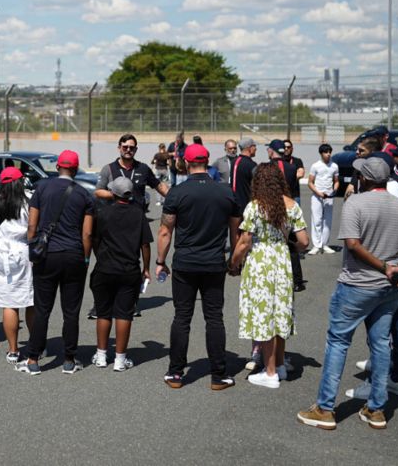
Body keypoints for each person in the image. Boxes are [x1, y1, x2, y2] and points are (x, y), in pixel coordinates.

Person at [297, 156, 398, 431]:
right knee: (381, 344)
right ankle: (376, 408)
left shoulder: (355, 203)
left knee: (338, 342)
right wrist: (394, 268)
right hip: (387, 288)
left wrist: (385, 267)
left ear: (365, 179)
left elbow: (353, 244)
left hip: (357, 284)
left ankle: (325, 408)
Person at [156, 144, 241, 390]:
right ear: (207, 161)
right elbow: (235, 232)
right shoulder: (226, 192)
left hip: (185, 263)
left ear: (186, 162)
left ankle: (175, 373)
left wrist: (160, 262)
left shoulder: (177, 192)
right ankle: (219, 375)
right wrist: (235, 262)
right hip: (214, 263)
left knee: (182, 317)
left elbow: (165, 231)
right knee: (214, 317)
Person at [347, 159, 398, 401]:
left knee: (377, 331)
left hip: (377, 273)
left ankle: (376, 384)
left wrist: (389, 264)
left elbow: (354, 242)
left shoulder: (374, 197)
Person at [229, 164, 308, 389]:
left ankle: (270, 372)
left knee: (263, 314)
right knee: (279, 311)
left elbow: (244, 242)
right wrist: (287, 245)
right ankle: (280, 365)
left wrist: (233, 263)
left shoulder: (255, 207)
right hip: (282, 261)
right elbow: (304, 242)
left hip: (260, 262)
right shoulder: (292, 205)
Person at [16, 150, 94, 376]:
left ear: (58, 167)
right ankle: (69, 359)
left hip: (47, 254)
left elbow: (32, 226)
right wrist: (85, 258)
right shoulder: (84, 194)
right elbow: (87, 233)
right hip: (73, 254)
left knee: (42, 309)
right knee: (71, 310)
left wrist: (33, 250)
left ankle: (33, 359)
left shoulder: (41, 188)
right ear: (76, 169)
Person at [89, 178, 152, 373]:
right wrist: (146, 268)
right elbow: (145, 244)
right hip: (129, 269)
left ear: (113, 193)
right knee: (124, 313)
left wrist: (99, 256)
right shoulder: (138, 213)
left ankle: (101, 356)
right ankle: (120, 359)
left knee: (103, 312)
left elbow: (94, 239)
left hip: (105, 268)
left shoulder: (103, 212)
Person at [0, 166, 35, 363]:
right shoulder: (28, 202)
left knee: (9, 302)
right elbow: (33, 228)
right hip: (22, 250)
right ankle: (35, 345)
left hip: (1, 252)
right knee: (30, 300)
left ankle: (13, 350)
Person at [267, 140, 306, 292]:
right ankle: (297, 281)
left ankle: (274, 278)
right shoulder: (291, 167)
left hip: (271, 207)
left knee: (271, 242)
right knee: (291, 243)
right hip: (288, 206)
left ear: (271, 151)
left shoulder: (267, 168)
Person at [96, 134, 169, 211]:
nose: (128, 150)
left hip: (137, 215)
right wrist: (117, 194)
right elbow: (98, 192)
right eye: (125, 147)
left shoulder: (143, 168)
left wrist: (175, 197)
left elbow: (160, 187)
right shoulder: (108, 168)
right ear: (119, 148)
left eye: (131, 148)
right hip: (115, 215)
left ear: (136, 149)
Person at [307, 143, 339, 255]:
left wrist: (335, 189)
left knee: (327, 221)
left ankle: (325, 244)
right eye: (326, 152)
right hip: (317, 196)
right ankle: (316, 245)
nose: (328, 154)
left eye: (330, 152)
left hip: (329, 197)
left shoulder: (334, 166)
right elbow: (310, 182)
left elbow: (336, 181)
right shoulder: (315, 166)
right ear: (321, 153)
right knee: (316, 220)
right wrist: (318, 193)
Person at [230, 137, 258, 214]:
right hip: (246, 204)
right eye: (254, 146)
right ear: (249, 148)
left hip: (233, 202)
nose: (256, 149)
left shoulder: (234, 161)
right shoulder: (251, 165)